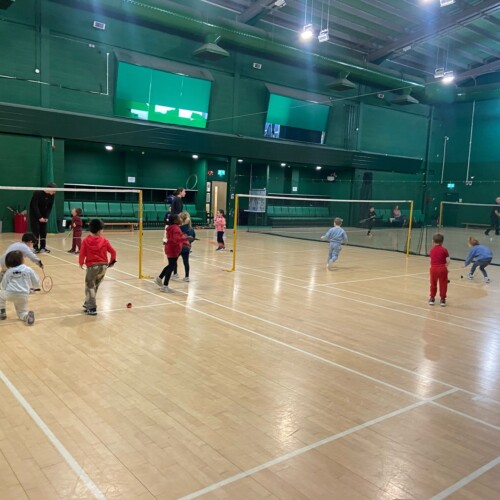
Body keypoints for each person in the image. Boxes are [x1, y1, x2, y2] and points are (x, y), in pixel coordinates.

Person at [79, 219, 117, 316]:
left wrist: (81, 263)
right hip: (103, 267)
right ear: (99, 231)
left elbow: (82, 253)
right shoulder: (104, 240)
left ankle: (92, 307)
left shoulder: (86, 241)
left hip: (92, 267)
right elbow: (113, 252)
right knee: (94, 286)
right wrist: (111, 262)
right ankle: (88, 303)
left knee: (90, 286)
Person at [0, 250, 39, 325]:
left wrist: (5, 290)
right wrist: (34, 287)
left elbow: (4, 285)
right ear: (21, 260)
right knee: (22, 312)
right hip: (24, 295)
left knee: (0, 294)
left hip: (10, 294)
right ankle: (26, 316)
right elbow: (36, 281)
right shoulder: (28, 269)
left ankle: (2, 312)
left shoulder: (9, 272)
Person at [154, 214, 187, 293]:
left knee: (170, 265)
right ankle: (165, 286)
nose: (181, 219)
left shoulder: (173, 227)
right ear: (175, 221)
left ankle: (159, 278)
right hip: (173, 249)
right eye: (179, 218)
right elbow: (176, 239)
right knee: (171, 267)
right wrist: (185, 238)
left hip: (170, 248)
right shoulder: (176, 228)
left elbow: (177, 238)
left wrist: (185, 241)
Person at [29, 182, 57, 253]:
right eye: (54, 191)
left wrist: (46, 217)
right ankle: (35, 247)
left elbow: (50, 206)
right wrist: (39, 217)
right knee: (36, 231)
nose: (54, 192)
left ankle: (43, 247)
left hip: (43, 215)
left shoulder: (52, 195)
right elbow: (34, 206)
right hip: (34, 214)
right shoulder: (37, 193)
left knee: (43, 231)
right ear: (49, 189)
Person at [429, 233, 450, 307]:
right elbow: (448, 260)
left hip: (433, 269)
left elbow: (431, 260)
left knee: (433, 283)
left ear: (433, 241)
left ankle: (432, 298)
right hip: (442, 269)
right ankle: (442, 300)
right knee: (443, 284)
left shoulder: (431, 250)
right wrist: (445, 267)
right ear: (442, 241)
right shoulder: (444, 250)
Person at [178, 211, 196, 282]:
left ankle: (175, 273)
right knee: (186, 262)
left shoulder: (179, 228)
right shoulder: (191, 229)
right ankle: (187, 276)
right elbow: (193, 237)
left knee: (173, 261)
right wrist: (190, 242)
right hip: (187, 248)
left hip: (179, 247)